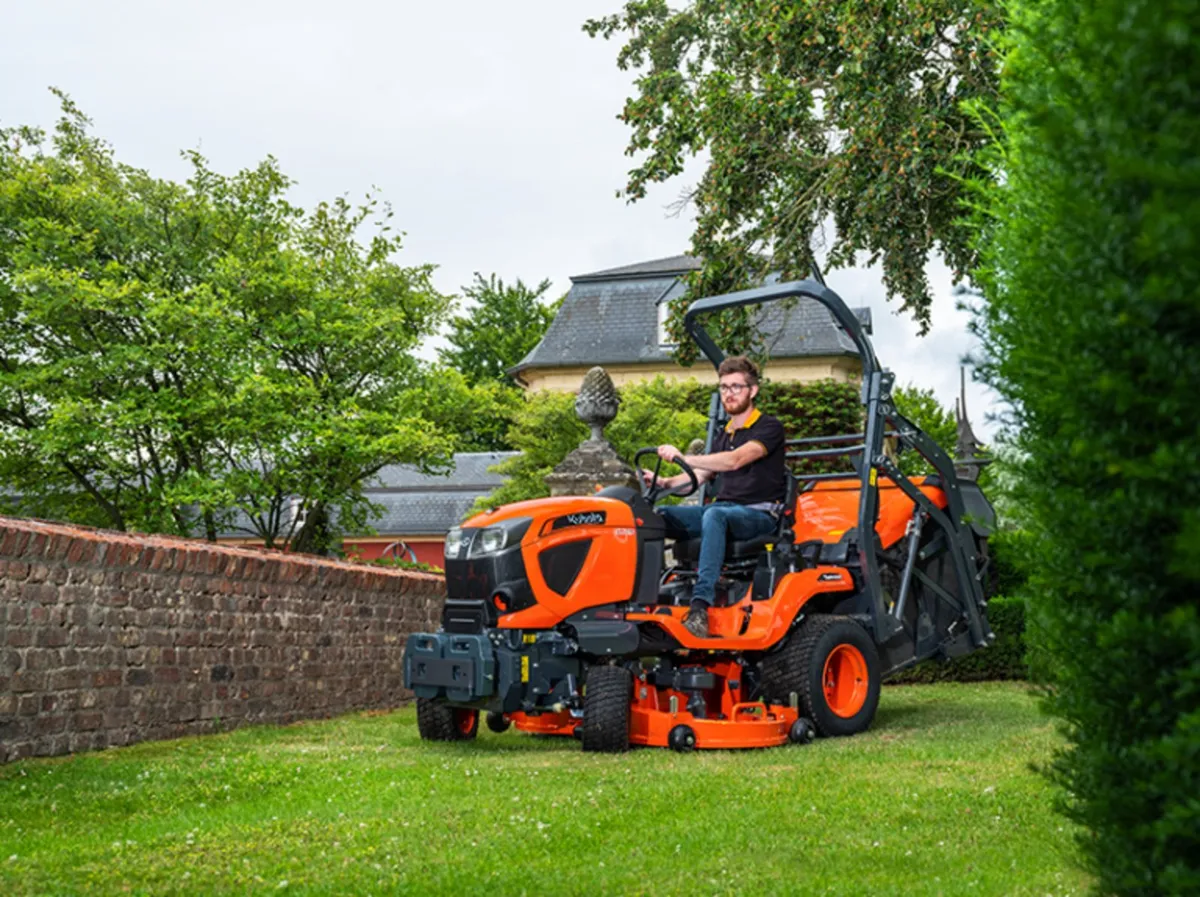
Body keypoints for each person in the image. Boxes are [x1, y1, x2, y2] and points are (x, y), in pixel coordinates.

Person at [648, 356, 787, 638]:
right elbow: (698, 476)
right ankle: (647, 595)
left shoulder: (769, 428)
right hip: (726, 511)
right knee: (657, 515)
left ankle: (700, 608)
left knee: (715, 514)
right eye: (724, 387)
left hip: (759, 515)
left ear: (753, 391)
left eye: (736, 387)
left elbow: (735, 461)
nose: (729, 393)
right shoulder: (725, 434)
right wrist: (664, 481)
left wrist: (682, 456)